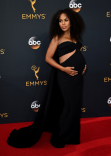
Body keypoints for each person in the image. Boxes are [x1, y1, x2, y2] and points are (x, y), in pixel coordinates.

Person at [7, 8, 87, 148]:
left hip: (77, 76)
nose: (63, 23)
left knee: (74, 107)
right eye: (60, 21)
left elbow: (76, 52)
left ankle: (71, 136)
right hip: (65, 76)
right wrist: (64, 69)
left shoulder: (75, 35)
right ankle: (58, 138)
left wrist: (83, 65)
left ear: (72, 21)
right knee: (68, 107)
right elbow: (48, 58)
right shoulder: (57, 37)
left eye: (66, 20)